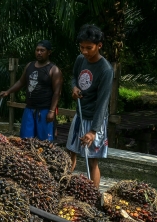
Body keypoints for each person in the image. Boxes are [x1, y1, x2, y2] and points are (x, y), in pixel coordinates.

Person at [66, 24, 113, 188]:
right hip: (79, 115)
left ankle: (93, 196)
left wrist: (93, 131)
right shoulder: (80, 60)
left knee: (92, 160)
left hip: (95, 120)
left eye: (89, 48)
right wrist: (74, 87)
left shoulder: (105, 70)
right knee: (71, 153)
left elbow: (103, 102)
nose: (84, 51)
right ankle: (64, 186)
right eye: (81, 47)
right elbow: (73, 77)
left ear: (99, 46)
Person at [0, 40, 63, 141]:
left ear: (49, 52)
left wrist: (51, 111)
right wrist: (8, 91)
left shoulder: (54, 70)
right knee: (25, 140)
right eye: (37, 50)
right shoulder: (29, 66)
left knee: (45, 143)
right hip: (29, 109)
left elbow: (57, 92)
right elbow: (21, 82)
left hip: (45, 110)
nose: (39, 52)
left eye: (42, 50)